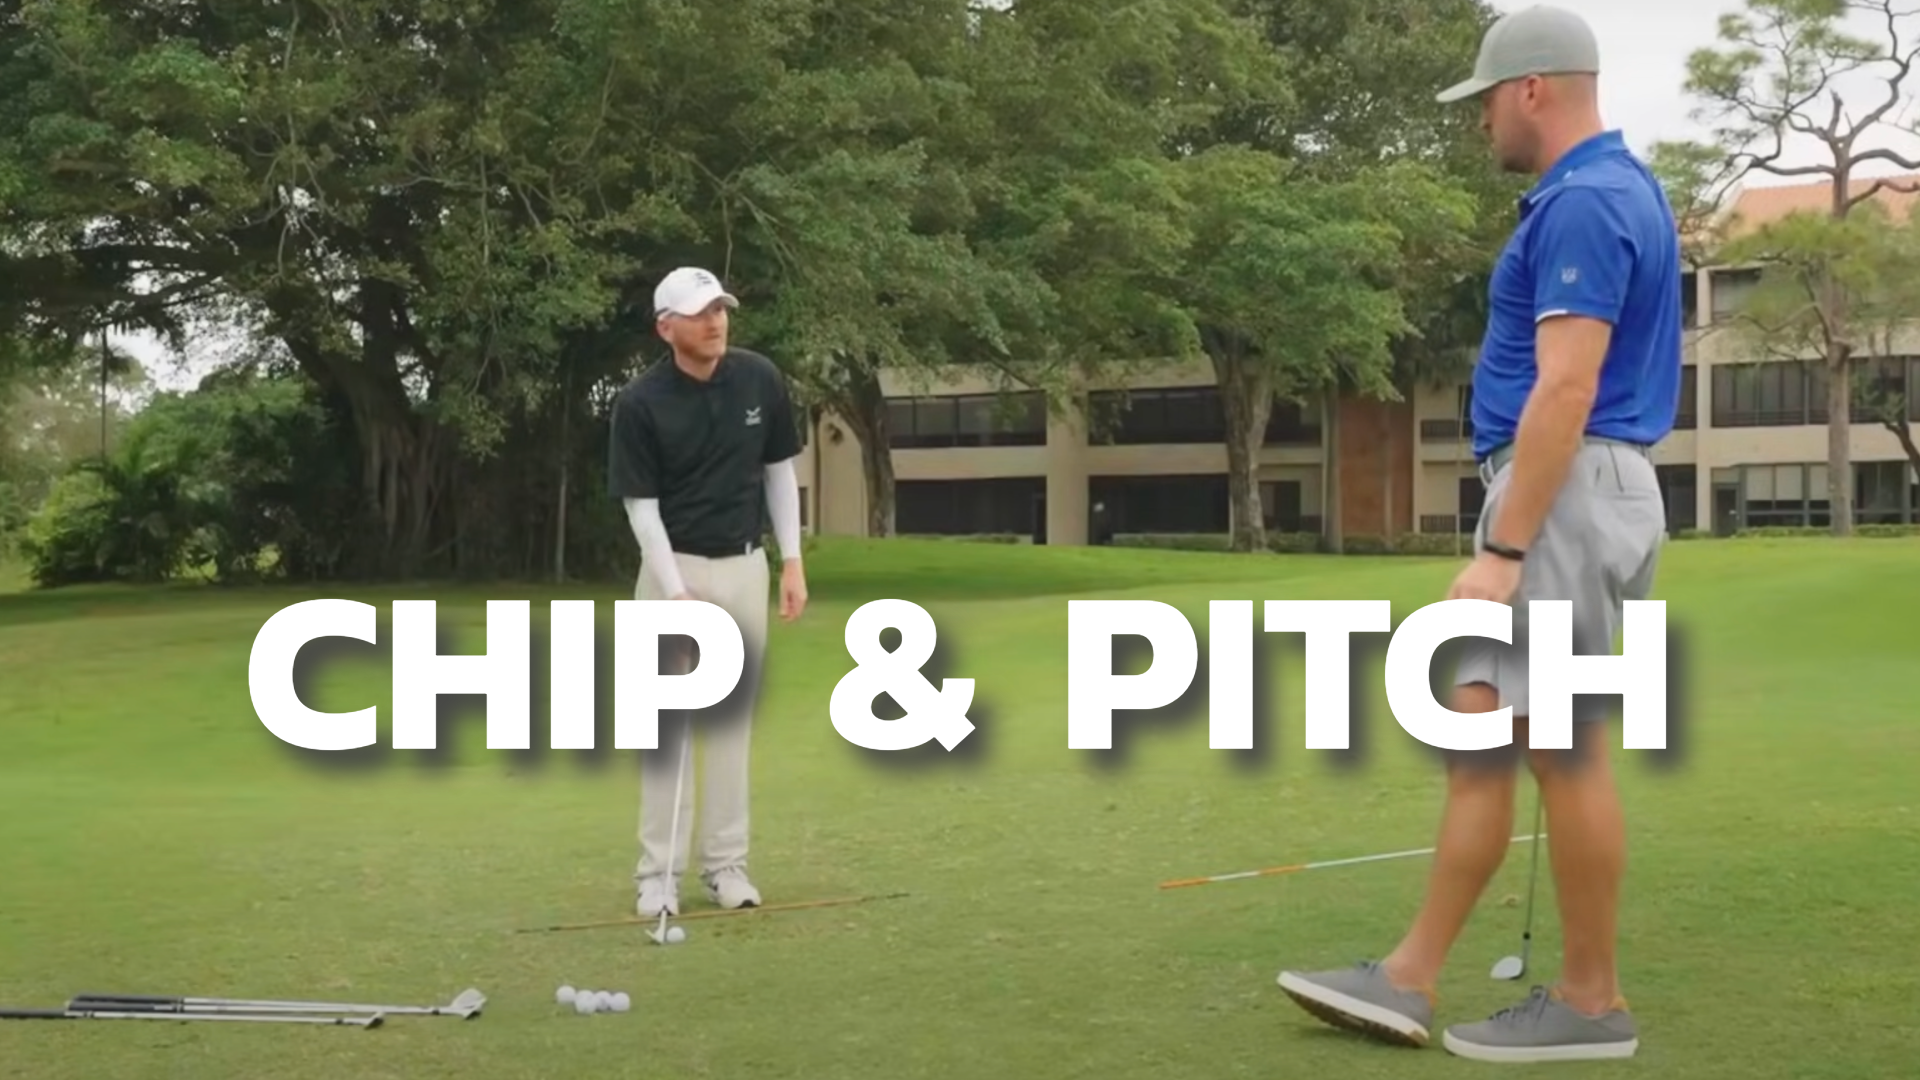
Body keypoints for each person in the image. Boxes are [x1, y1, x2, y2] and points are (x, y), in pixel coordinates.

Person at [1273, 5, 1679, 1064]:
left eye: (1487, 101)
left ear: (1532, 89)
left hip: (1566, 492)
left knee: (1560, 747)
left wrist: (1502, 549)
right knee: (1480, 741)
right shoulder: (1598, 192)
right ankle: (1407, 977)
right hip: (1576, 490)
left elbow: (1568, 385)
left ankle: (1591, 1002)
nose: (1482, 122)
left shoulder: (1587, 201)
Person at [606, 265, 810, 917]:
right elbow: (642, 509)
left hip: (744, 566)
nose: (715, 321)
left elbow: (778, 471)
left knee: (729, 727)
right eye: (699, 313)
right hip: (673, 573)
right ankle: (657, 875)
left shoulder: (759, 378)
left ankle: (726, 867)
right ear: (666, 327)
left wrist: (792, 561)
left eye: (720, 308)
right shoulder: (640, 403)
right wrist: (674, 592)